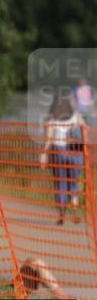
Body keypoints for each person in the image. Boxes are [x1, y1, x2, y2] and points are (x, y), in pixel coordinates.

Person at [40, 95, 85, 225]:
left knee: (60, 184)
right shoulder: (77, 116)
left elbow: (48, 139)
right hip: (75, 153)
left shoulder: (52, 120)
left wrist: (43, 153)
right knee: (73, 184)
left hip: (58, 152)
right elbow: (85, 133)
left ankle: (61, 215)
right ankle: (75, 209)